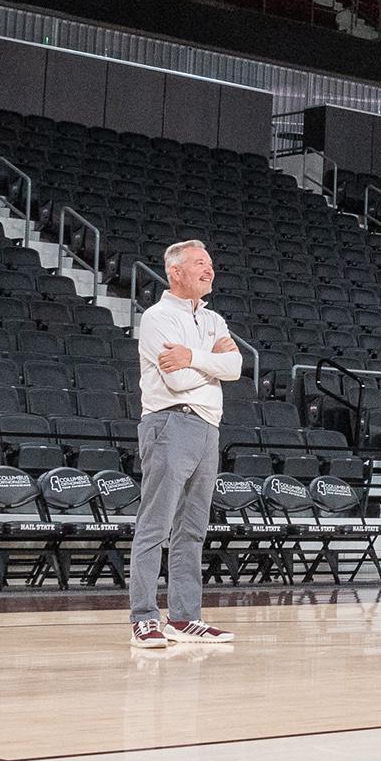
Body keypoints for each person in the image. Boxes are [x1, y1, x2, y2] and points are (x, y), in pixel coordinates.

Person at [129, 240, 242, 649]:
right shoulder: (157, 318)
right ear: (175, 271)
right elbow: (174, 381)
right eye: (199, 263)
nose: (209, 270)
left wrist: (193, 358)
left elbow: (236, 367)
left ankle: (184, 617)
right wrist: (211, 363)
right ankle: (144, 617)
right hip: (169, 424)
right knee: (155, 525)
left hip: (208, 427)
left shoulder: (214, 319)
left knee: (192, 530)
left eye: (210, 263)